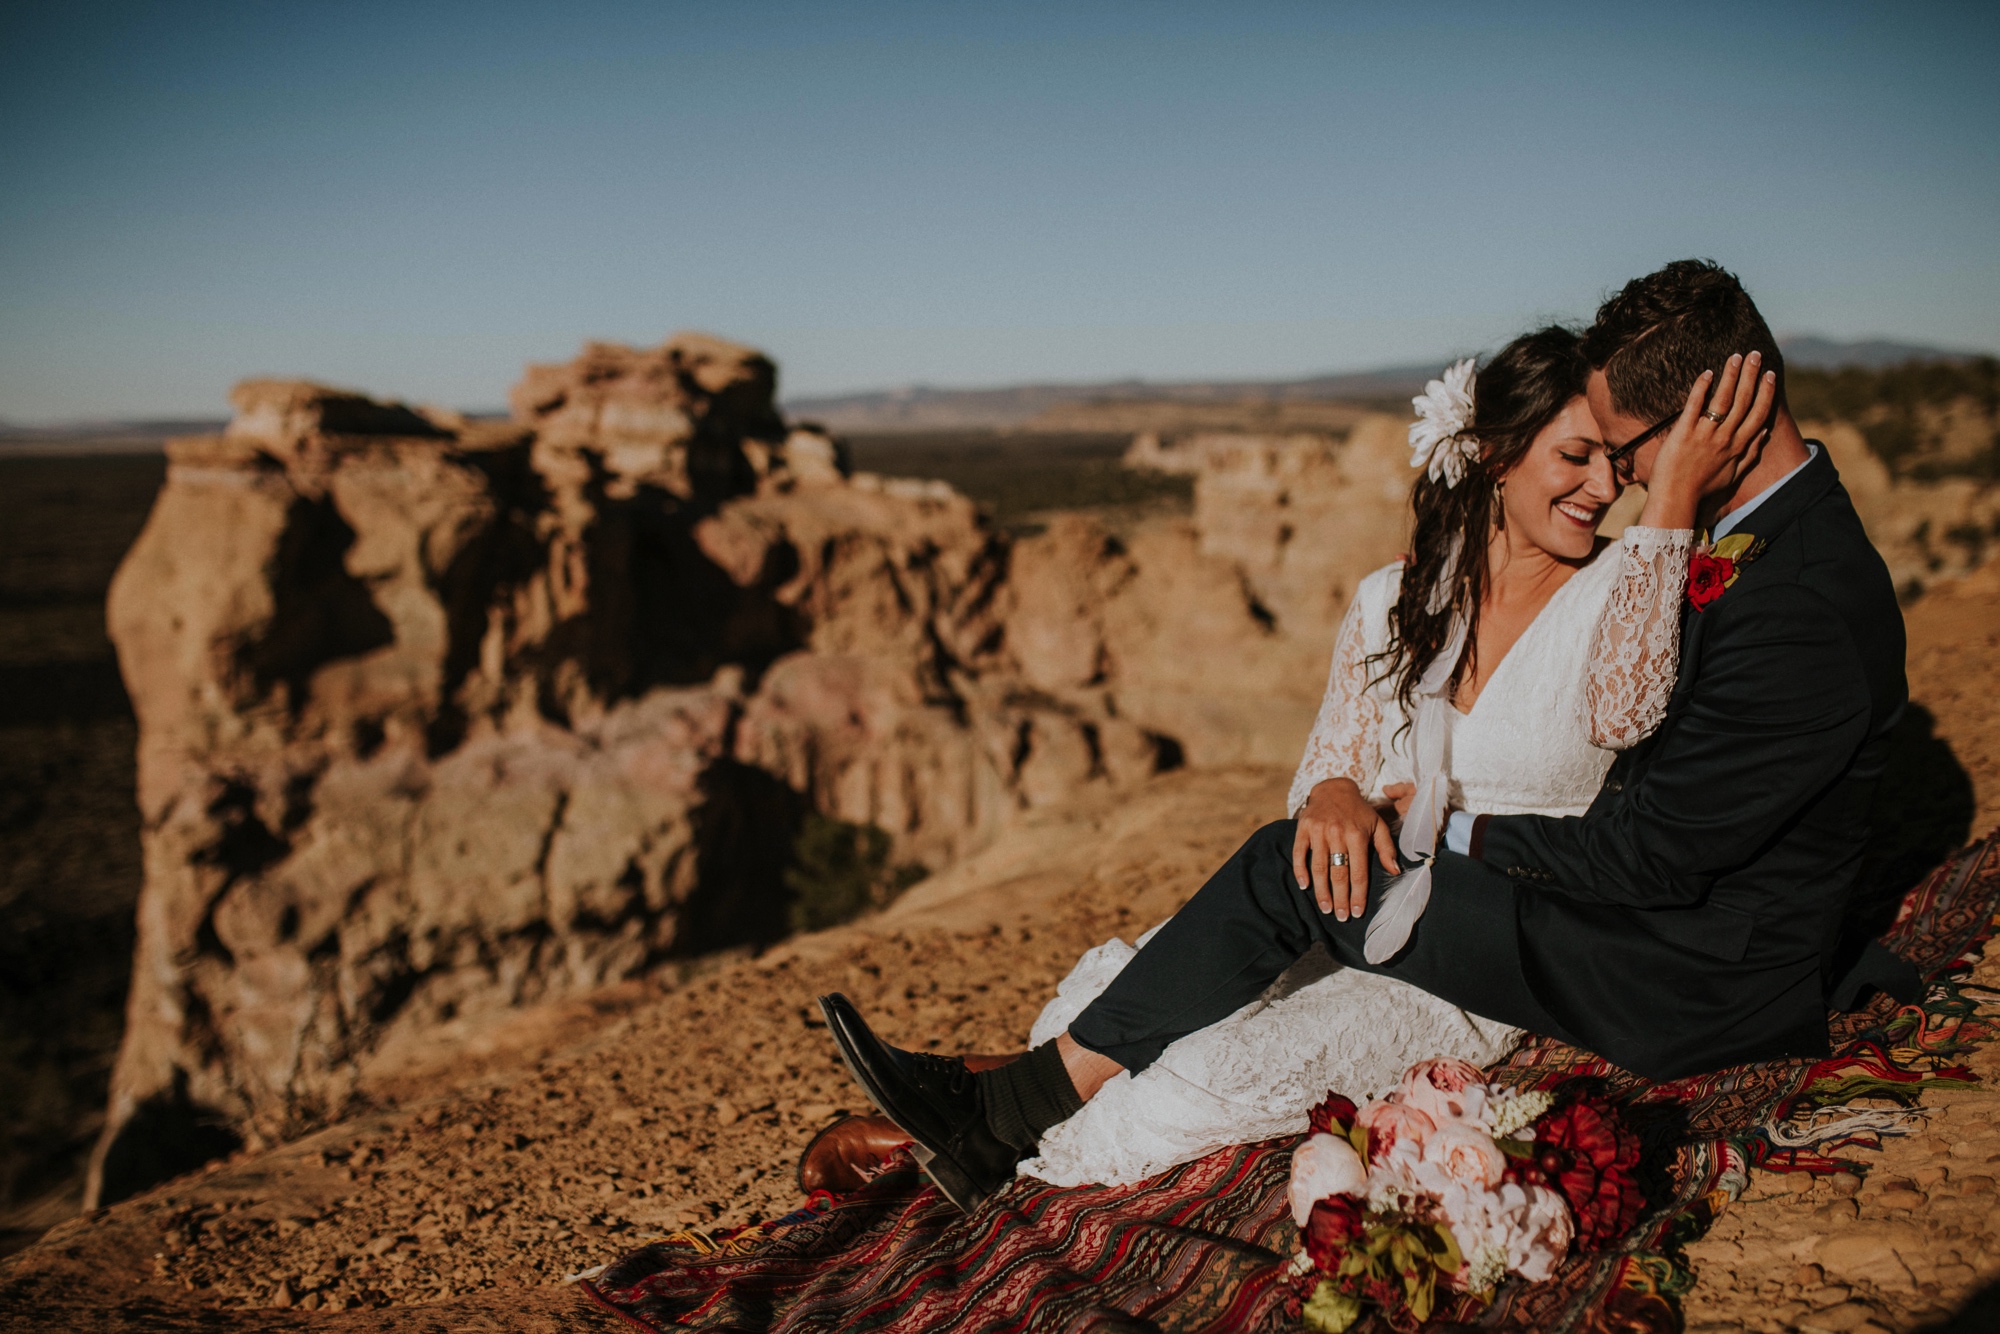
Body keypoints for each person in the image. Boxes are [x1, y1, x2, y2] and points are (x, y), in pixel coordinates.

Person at [818, 260, 1914, 1213]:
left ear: (1709, 413)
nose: (1621, 481)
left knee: (1277, 903)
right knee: (1275, 877)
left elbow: (1654, 850)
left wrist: (1439, 830)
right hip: (1629, 913)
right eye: (1595, 456)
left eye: (1625, 451)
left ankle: (991, 1115)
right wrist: (1361, 801)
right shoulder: (1751, 549)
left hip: (1677, 974)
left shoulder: (1793, 592)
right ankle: (1004, 1097)